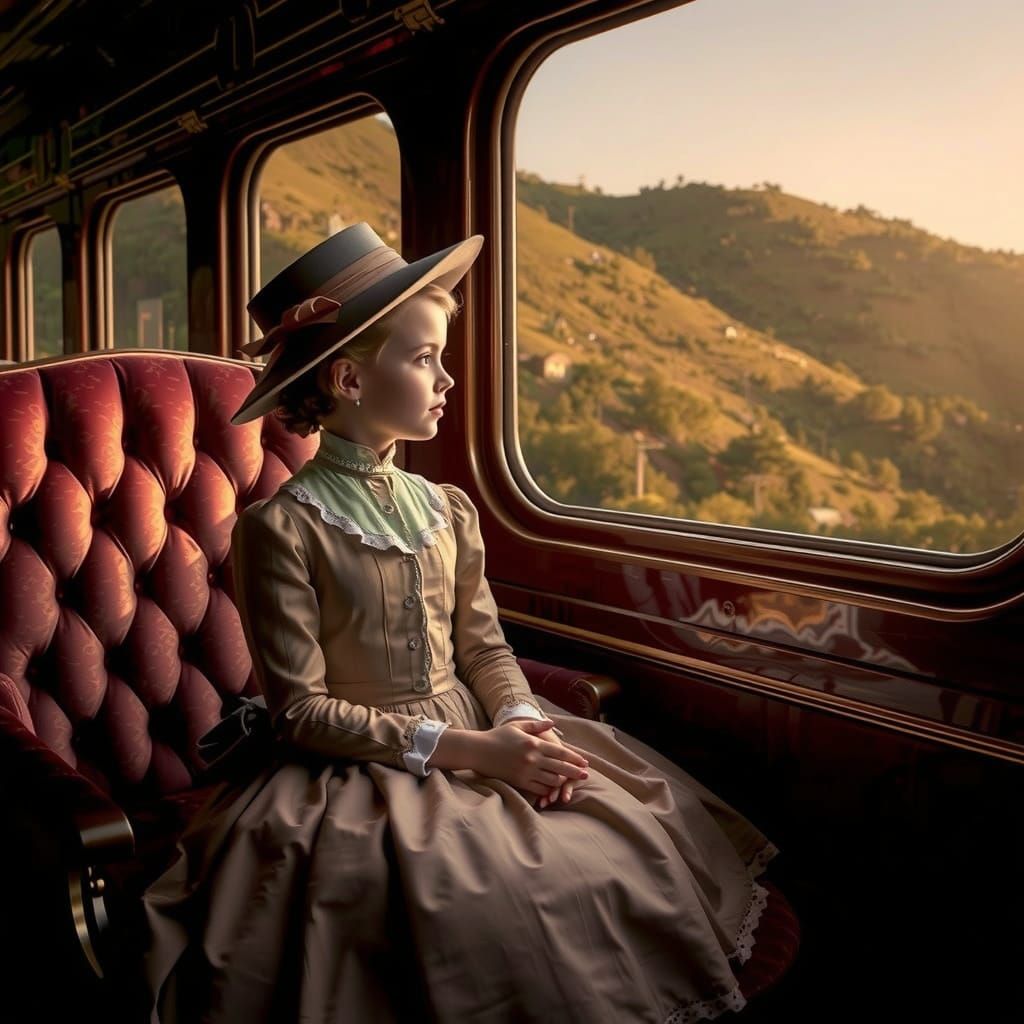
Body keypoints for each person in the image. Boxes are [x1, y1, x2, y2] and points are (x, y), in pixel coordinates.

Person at [141, 222, 780, 1024]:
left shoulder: (448, 508)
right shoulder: (281, 529)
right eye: (422, 359)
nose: (445, 379)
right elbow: (302, 712)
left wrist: (518, 718)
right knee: (490, 900)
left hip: (483, 724)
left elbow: (482, 645)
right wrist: (477, 752)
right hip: (357, 763)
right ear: (347, 378)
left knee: (615, 843)